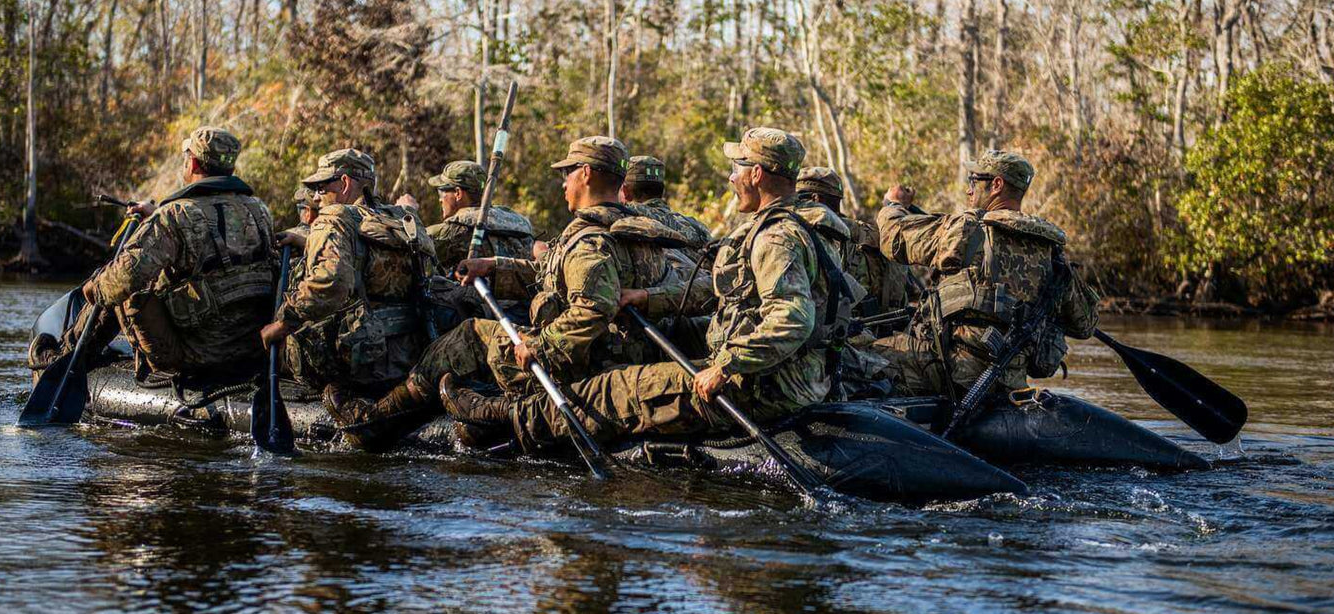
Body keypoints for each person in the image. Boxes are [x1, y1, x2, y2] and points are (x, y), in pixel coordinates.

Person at [439, 127, 861, 453]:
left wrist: (727, 366)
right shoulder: (809, 224)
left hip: (766, 385)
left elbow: (793, 318)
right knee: (643, 344)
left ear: (758, 173)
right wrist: (648, 299)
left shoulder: (777, 236)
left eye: (738, 168)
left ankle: (501, 414)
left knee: (609, 390)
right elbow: (726, 292)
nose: (732, 178)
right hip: (801, 373)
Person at [328, 136, 690, 451]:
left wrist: (540, 345)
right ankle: (481, 419)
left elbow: (594, 308)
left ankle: (373, 423)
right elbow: (556, 277)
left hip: (576, 362)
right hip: (620, 355)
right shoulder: (637, 230)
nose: (563, 181)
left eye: (568, 172)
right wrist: (495, 268)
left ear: (587, 174)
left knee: (469, 336)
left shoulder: (589, 239)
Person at [40, 126, 276, 379]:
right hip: (251, 349)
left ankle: (66, 359)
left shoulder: (174, 216)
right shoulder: (259, 210)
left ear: (194, 163)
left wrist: (91, 290)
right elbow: (214, 236)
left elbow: (123, 278)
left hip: (197, 355)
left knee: (120, 284)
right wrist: (154, 218)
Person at [872, 150, 1100, 408]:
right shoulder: (1051, 252)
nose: (969, 191)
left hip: (950, 370)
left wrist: (892, 206)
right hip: (1009, 378)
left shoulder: (969, 229)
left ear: (997, 185)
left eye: (973, 181)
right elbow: (1085, 325)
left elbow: (894, 238)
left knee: (863, 354)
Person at [257, 148, 438, 450]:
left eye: (321, 187)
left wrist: (283, 322)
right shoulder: (403, 220)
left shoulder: (333, 218)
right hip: (407, 352)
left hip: (359, 361)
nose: (316, 196)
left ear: (344, 183)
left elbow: (331, 282)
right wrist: (305, 241)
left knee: (269, 331)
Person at [796, 167, 917, 318]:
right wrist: (894, 205)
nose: (839, 213)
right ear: (816, 199)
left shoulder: (779, 228)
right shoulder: (853, 233)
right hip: (855, 335)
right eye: (835, 203)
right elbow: (898, 239)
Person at [425, 160, 536, 273]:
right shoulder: (518, 224)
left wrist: (410, 211)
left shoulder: (453, 231)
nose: (440, 200)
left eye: (441, 193)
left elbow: (415, 245)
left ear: (458, 193)